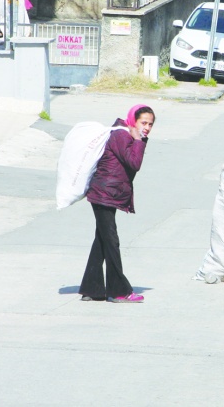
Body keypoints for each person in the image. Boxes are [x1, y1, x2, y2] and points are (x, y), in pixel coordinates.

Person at [79, 104, 155, 303]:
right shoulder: (122, 136)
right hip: (103, 193)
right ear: (133, 120)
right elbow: (134, 163)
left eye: (150, 124)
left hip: (106, 193)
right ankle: (118, 291)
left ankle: (92, 288)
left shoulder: (128, 135)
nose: (146, 128)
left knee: (102, 241)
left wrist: (139, 139)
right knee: (112, 241)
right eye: (143, 123)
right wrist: (139, 140)